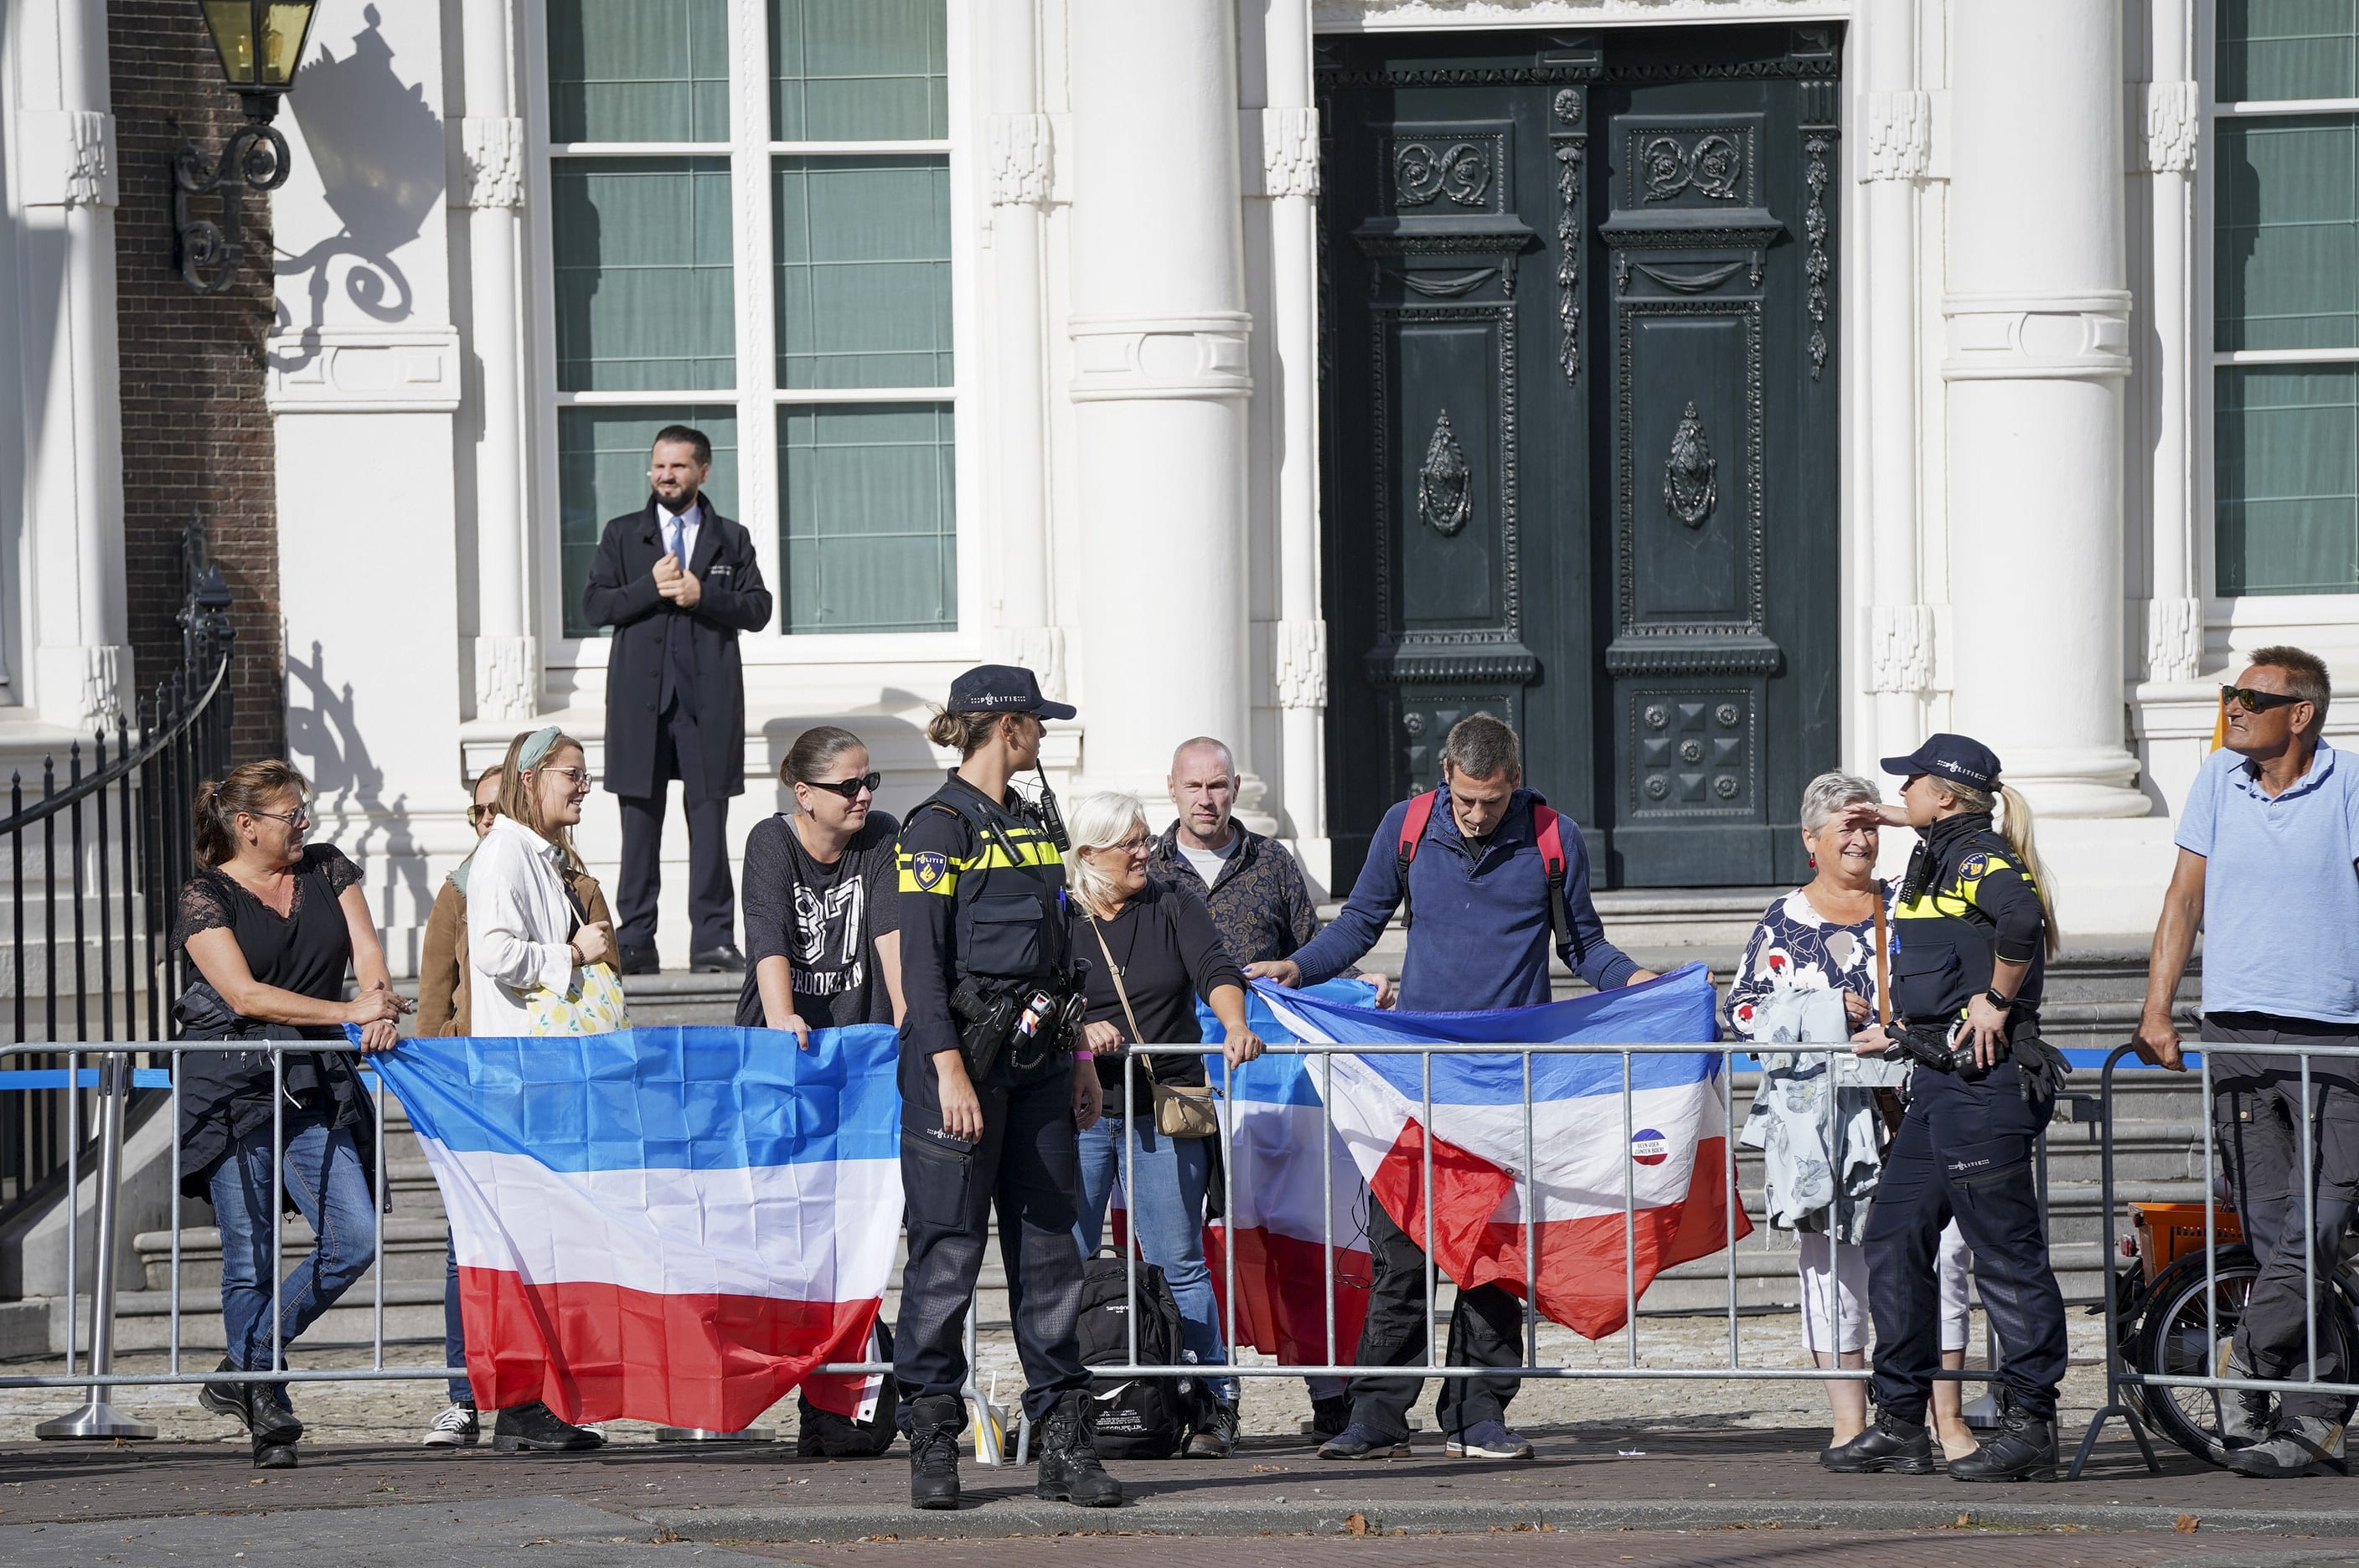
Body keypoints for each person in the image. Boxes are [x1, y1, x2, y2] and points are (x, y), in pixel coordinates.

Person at [1252, 713, 1657, 1462]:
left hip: (1509, 1086)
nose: (1476, 816)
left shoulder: (1553, 837)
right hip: (1418, 1079)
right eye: (1465, 800)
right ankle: (1377, 1415)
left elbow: (1583, 945)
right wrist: (1298, 967)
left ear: (1515, 782)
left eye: (1491, 802)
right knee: (1400, 1252)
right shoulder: (1404, 827)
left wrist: (1637, 982)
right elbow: (1361, 923)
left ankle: (1478, 1415)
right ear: (1445, 777)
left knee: (1494, 1258)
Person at [892, 665, 1120, 1512]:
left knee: (1051, 1260)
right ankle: (930, 1440)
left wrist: (1082, 1064)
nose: (1044, 737)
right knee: (945, 1259)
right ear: (1007, 728)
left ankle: (1062, 1443)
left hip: (1036, 1077)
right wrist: (949, 1069)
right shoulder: (934, 830)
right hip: (957, 1078)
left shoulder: (1030, 825)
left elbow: (1064, 961)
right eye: (1037, 724)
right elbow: (919, 965)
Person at [2134, 647, 2359, 1479]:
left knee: (2319, 1223)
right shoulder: (2214, 782)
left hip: (2334, 1037)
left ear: (2299, 713)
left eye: (2246, 697)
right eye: (2229, 694)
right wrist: (2156, 1006)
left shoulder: (2346, 784)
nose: (2228, 708)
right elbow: (2181, 896)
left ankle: (2246, 1351)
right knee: (2269, 1234)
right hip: (2233, 1034)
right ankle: (2305, 1416)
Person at [1823, 734, 2069, 1483]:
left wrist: (1996, 1002)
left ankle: (2031, 1424)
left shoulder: (1976, 855)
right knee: (1892, 1236)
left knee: (2005, 1256)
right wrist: (1909, 822)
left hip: (1985, 1086)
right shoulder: (1944, 847)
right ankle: (1900, 1423)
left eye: (1914, 783)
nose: (1901, 790)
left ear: (1948, 795)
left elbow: (2020, 918)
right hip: (1938, 1084)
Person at [1727, 770, 1976, 1462]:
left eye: (1870, 826)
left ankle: (1945, 1420)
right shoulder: (1784, 920)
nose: (1862, 839)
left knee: (1945, 1256)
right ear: (1812, 842)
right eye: (1848, 827)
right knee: (1833, 1264)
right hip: (1824, 1123)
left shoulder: (1912, 905)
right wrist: (1829, 1013)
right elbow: (1743, 1013)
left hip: (1913, 1107)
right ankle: (1849, 1424)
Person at [173, 761, 405, 1469]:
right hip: (230, 1086)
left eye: (304, 810)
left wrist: (381, 1005)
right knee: (250, 1257)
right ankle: (269, 1410)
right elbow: (243, 996)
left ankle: (242, 1369)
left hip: (312, 1080)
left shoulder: (330, 870)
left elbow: (369, 955)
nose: (304, 823)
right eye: (290, 814)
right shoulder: (204, 897)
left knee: (355, 1237)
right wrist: (346, 1014)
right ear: (246, 826)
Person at [1148, 735, 1380, 1435]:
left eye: (1218, 786)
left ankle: (1328, 1396)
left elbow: (1308, 959)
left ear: (1236, 786)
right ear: (1173, 788)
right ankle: (1206, 1400)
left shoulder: (1274, 863)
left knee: (1294, 1232)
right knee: (1184, 1239)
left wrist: (1351, 992)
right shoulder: (1145, 867)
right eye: (1195, 787)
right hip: (1180, 1080)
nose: (1207, 800)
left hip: (1271, 1083)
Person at [411, 759, 617, 1447]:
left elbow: (606, 982)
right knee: (465, 1246)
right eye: (480, 812)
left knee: (542, 1239)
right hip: (480, 1080)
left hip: (556, 1080)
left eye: (499, 808)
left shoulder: (577, 882)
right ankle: (465, 1392)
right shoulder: (463, 889)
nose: (490, 821)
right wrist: (442, 1055)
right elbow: (437, 983)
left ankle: (536, 1396)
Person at [1066, 789, 1266, 1458]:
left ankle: (1216, 1402)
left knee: (1179, 1261)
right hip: (1081, 1110)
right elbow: (1035, 990)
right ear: (1090, 854)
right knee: (1066, 1261)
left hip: (1166, 1104)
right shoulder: (1058, 917)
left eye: (1145, 838)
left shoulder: (1174, 903)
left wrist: (1234, 1023)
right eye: (1129, 842)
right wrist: (1077, 1024)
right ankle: (1063, 1403)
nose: (1144, 850)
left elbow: (1216, 969)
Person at [581, 424, 772, 976]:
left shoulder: (730, 538)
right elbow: (595, 606)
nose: (666, 475)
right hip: (639, 707)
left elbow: (757, 609)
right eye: (659, 466)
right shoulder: (623, 535)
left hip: (707, 707)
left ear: (703, 472)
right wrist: (650, 587)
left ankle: (712, 941)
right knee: (638, 829)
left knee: (709, 831)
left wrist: (702, 595)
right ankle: (636, 941)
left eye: (679, 466)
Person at [739, 726, 906, 1040]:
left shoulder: (881, 833)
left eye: (869, 782)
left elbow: (892, 934)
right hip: (786, 1039)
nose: (865, 796)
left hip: (864, 1041)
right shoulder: (771, 840)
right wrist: (782, 1019)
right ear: (804, 794)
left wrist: (907, 1018)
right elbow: (769, 940)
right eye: (849, 787)